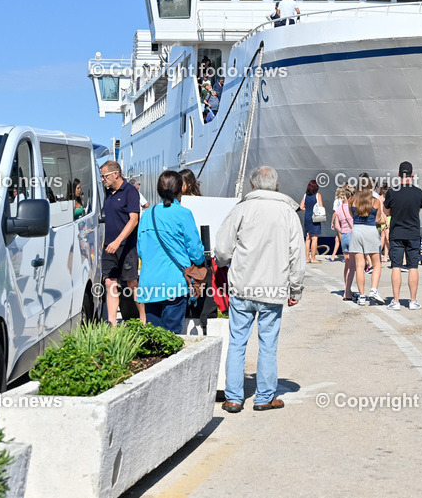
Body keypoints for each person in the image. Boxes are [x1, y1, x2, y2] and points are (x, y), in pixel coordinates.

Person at [215, 166, 305, 413]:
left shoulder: (241, 209)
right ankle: (264, 397)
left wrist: (226, 264)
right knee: (268, 344)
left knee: (237, 342)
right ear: (277, 185)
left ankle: (233, 398)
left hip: (242, 288)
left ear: (252, 187)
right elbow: (297, 255)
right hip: (273, 289)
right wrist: (295, 290)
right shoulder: (288, 212)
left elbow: (222, 250)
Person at [136, 171, 206, 334]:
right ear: (180, 189)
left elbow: (141, 250)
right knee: (171, 338)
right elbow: (196, 252)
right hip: (174, 284)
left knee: (154, 338)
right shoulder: (183, 214)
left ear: (159, 190)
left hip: (150, 285)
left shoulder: (147, 215)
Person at [100, 161, 145, 325]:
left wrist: (118, 241)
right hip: (109, 246)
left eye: (105, 176)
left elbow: (134, 220)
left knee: (132, 282)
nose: (103, 179)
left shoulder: (130, 191)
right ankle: (112, 323)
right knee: (110, 281)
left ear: (115, 174)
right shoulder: (107, 193)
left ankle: (143, 319)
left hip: (126, 247)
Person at [383, 161, 422, 310]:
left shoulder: (392, 192)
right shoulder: (418, 192)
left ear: (399, 174)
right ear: (412, 175)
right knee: (413, 267)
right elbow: (418, 210)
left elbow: (387, 212)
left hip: (397, 233)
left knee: (396, 266)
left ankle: (396, 301)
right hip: (413, 233)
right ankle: (413, 301)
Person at [349, 176, 385, 304]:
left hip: (356, 230)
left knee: (359, 266)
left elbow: (351, 215)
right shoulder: (376, 201)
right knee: (377, 264)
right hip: (370, 230)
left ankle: (362, 296)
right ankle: (373, 290)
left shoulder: (352, 200)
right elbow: (377, 219)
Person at [333, 186, 357, 300]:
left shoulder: (339, 208)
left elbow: (336, 224)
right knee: (352, 266)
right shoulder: (352, 207)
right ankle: (347, 292)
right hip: (352, 235)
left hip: (344, 236)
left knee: (347, 264)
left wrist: (342, 231)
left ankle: (347, 288)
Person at [300, 180, 323, 264]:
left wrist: (308, 209)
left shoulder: (305, 196)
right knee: (314, 238)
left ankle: (307, 258)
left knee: (307, 238)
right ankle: (313, 258)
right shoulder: (318, 195)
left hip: (307, 216)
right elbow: (321, 206)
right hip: (315, 217)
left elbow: (301, 207)